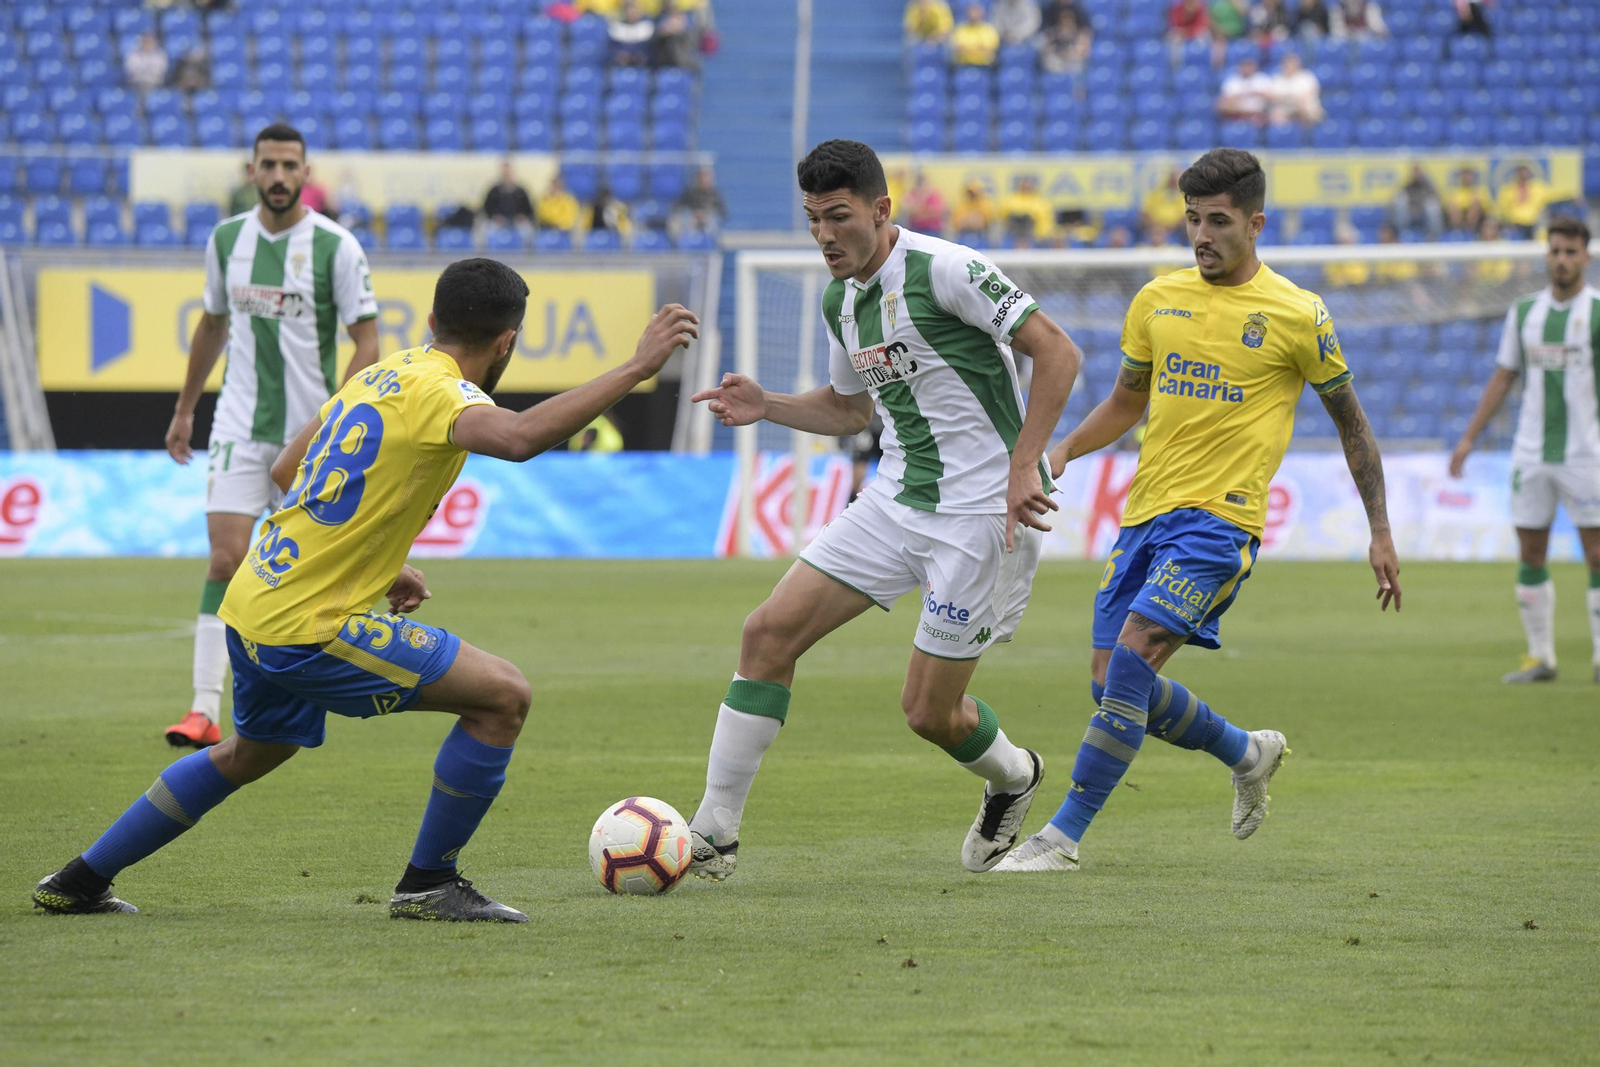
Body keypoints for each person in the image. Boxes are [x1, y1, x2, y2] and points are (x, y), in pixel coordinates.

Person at [32, 262, 700, 919]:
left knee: (251, 749)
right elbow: (520, 437)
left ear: (432, 321)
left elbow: (289, 467)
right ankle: (429, 882)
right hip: (307, 624)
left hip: (253, 601)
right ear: (507, 343)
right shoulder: (447, 395)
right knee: (503, 697)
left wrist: (377, 565)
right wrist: (637, 369)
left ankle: (80, 876)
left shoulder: (378, 374)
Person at [684, 139, 1083, 880]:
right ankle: (715, 830)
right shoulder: (842, 301)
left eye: (839, 217)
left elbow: (1057, 351)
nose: (825, 235)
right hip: (896, 500)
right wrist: (765, 403)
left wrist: (1025, 463)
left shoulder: (948, 270)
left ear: (880, 209)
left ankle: (1014, 774)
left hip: (979, 517)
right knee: (767, 633)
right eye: (812, 220)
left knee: (929, 713)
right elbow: (847, 409)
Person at [994, 147, 1401, 872]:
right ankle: (1247, 752)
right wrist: (1059, 454)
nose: (1202, 235)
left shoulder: (1298, 313)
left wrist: (1380, 529)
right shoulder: (1158, 299)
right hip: (1146, 514)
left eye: (1218, 221)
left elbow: (1353, 424)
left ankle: (1060, 839)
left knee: (1126, 669)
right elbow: (1126, 399)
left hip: (1222, 523)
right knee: (1110, 681)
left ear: (1255, 222)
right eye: (1192, 220)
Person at [162, 124, 381, 750]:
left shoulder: (337, 247)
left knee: (302, 573)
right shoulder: (226, 240)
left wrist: (340, 419)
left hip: (312, 434)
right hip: (238, 422)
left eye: (290, 166)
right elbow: (210, 326)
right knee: (226, 558)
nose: (280, 176)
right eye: (269, 165)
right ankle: (203, 708)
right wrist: (184, 411)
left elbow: (366, 339)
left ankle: (294, 700)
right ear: (251, 170)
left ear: (305, 171)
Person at [1449, 216, 1600, 685]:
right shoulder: (1523, 313)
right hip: (1532, 453)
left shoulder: (1597, 312)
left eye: (1571, 252)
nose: (1561, 259)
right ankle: (1541, 658)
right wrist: (1470, 437)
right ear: (1546, 255)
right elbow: (1503, 376)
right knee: (1531, 552)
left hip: (1587, 454)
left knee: (1597, 554)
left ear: (1586, 257)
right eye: (1555, 250)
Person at [1496, 164, 1550, 240]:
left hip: (1535, 223)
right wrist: (1508, 220)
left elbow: (1551, 198)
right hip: (1514, 223)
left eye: (1525, 171)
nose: (1523, 174)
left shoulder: (1539, 188)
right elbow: (1502, 209)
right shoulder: (1507, 190)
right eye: (1520, 171)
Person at [1267, 52, 1323, 125]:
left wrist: (1288, 98)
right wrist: (1292, 98)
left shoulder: (1306, 76)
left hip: (1305, 107)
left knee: (1309, 112)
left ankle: (1308, 134)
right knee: (1276, 116)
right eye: (1287, 63)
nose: (1290, 66)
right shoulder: (1277, 78)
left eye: (1292, 63)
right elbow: (1272, 96)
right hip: (1285, 108)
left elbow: (1312, 92)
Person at [1390, 164, 1443, 239]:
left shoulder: (1428, 187)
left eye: (1418, 172)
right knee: (1400, 200)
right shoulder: (1407, 187)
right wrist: (1412, 209)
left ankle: (1433, 235)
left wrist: (1419, 209)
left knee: (1432, 205)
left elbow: (1436, 199)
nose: (1416, 175)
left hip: (1424, 215)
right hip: (1409, 214)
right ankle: (1401, 232)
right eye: (1414, 173)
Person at [1000, 175, 1054, 246]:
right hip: (1014, 235)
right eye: (1024, 185)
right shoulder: (1011, 200)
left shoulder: (1041, 203)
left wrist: (1041, 235)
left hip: (1034, 236)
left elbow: (1046, 222)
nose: (1026, 187)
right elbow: (1003, 217)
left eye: (1028, 185)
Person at [674, 165, 727, 234]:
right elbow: (679, 207)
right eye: (702, 177)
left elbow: (722, 212)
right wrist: (694, 213)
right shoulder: (690, 193)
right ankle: (688, 240)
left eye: (707, 177)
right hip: (692, 219)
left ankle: (710, 240)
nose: (704, 180)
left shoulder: (715, 195)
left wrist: (706, 214)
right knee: (684, 220)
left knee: (712, 221)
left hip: (708, 219)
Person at [1217, 57, 1272, 124]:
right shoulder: (1232, 81)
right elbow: (1224, 101)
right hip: (1237, 113)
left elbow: (1271, 97)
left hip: (1258, 114)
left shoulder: (1262, 78)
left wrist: (1257, 93)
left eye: (1249, 67)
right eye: (1245, 67)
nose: (1247, 69)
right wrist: (1240, 96)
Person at [483, 161, 535, 230]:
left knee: (527, 229)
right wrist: (495, 216)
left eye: (509, 173)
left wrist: (522, 216)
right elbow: (487, 208)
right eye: (505, 174)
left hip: (518, 222)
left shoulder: (521, 191)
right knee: (486, 228)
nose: (507, 176)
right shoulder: (494, 191)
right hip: (498, 222)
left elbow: (528, 209)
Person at [1039, 5, 1092, 73]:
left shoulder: (1079, 34)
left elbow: (1083, 51)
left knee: (1078, 66)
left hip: (1073, 61)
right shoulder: (1053, 33)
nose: (1066, 22)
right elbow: (1047, 50)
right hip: (1057, 61)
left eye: (1068, 19)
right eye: (1064, 19)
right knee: (1051, 63)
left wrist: (1071, 53)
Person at [1140, 168, 1188, 239]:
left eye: (1175, 180)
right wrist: (1156, 227)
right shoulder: (1154, 194)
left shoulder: (1183, 197)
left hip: (1176, 231)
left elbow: (1185, 216)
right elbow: (1145, 214)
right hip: (1154, 229)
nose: (1173, 182)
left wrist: (1171, 227)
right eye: (1171, 180)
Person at [1445, 167, 1491, 234]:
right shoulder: (1455, 192)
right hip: (1460, 216)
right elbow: (1448, 206)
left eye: (1469, 176)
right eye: (1465, 176)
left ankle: (1469, 230)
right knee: (1453, 206)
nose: (1467, 178)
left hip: (1478, 219)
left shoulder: (1480, 191)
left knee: (1475, 204)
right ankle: (1457, 230)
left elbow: (1487, 206)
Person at [609, 1, 655, 66]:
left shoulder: (647, 26)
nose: (632, 14)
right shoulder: (618, 27)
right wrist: (620, 55)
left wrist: (641, 56)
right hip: (622, 65)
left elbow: (650, 49)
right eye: (630, 11)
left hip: (643, 66)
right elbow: (613, 49)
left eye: (634, 11)